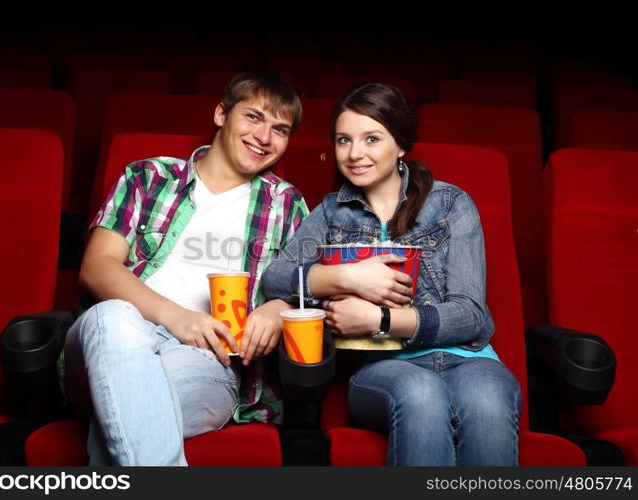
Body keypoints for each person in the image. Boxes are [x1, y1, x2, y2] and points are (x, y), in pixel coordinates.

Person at [262, 82, 521, 466]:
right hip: (384, 370)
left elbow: (470, 315)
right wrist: (347, 278)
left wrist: (380, 318)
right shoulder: (331, 212)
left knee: (487, 400)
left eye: (371, 139)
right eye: (343, 140)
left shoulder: (450, 204)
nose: (355, 154)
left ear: (400, 145)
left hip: (469, 359)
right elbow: (276, 278)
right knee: (421, 392)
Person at [64, 71, 308, 466]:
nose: (264, 137)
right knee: (113, 316)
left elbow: (303, 291)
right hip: (113, 339)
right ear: (220, 114)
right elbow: (95, 267)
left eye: (280, 129)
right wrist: (179, 318)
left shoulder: (287, 204)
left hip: (209, 358)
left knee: (125, 410)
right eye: (253, 117)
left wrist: (278, 308)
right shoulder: (148, 177)